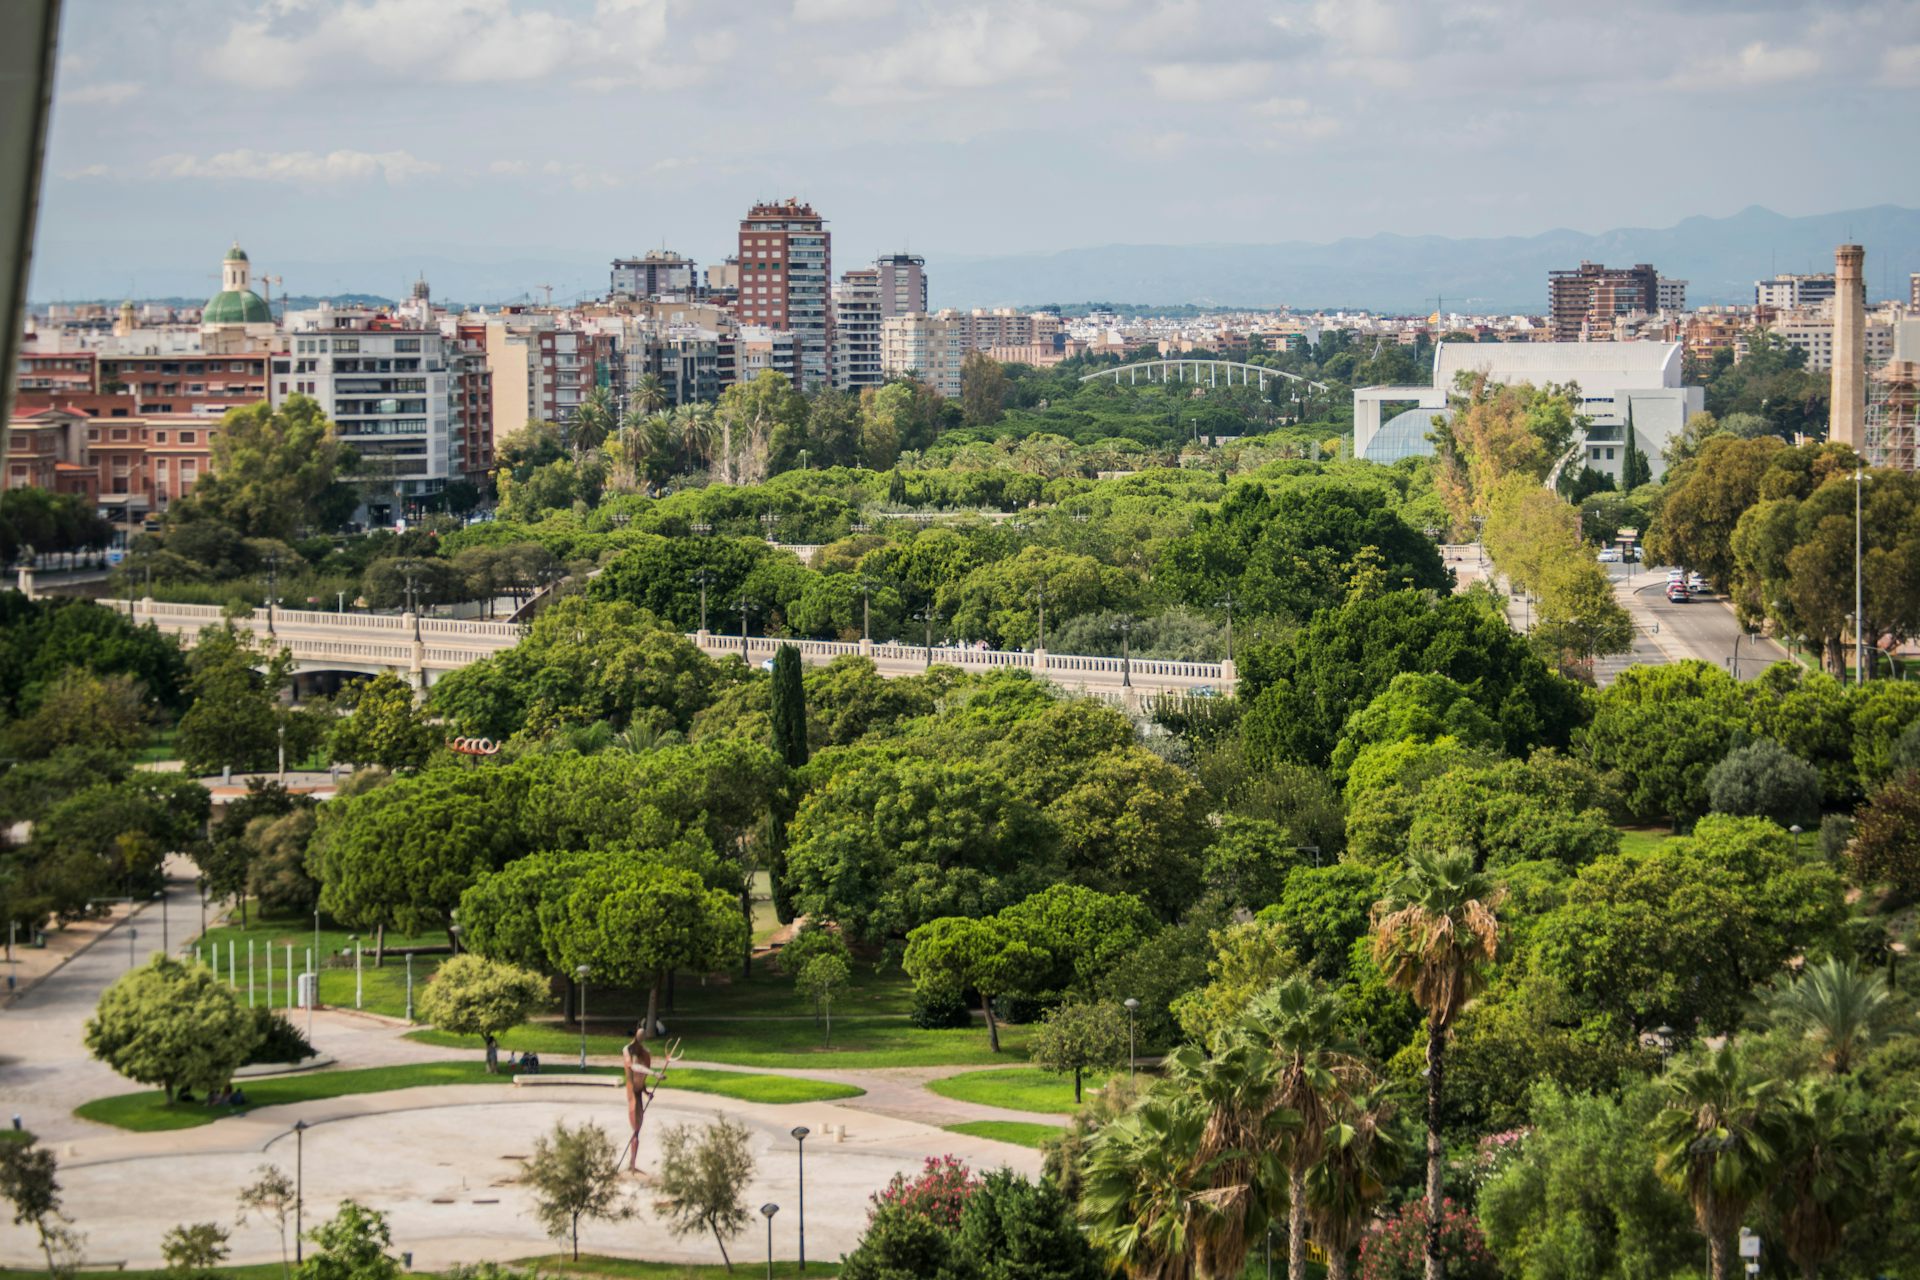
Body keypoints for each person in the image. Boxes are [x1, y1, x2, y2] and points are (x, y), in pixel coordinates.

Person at [621, 1026, 655, 1173]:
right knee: (635, 1129)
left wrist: (646, 1091)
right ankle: (632, 1164)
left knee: (637, 1130)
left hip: (638, 1093)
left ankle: (632, 1163)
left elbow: (641, 1078)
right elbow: (633, 1067)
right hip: (632, 1094)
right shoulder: (627, 1050)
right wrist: (654, 1073)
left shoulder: (645, 1053)